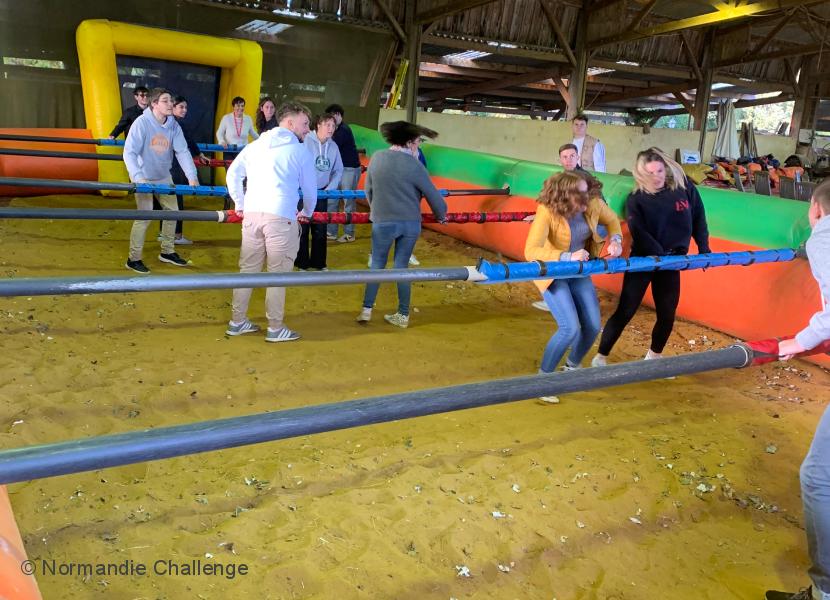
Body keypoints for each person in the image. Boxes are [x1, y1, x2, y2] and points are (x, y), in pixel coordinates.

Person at [766, 181, 830, 600]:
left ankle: (824, 590)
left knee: (817, 476)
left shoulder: (824, 236)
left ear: (816, 210)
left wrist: (801, 340)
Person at [591, 147, 710, 367]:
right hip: (644, 260)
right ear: (641, 175)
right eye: (651, 173)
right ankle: (601, 355)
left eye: (659, 171)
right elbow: (639, 231)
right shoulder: (636, 199)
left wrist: (704, 248)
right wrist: (660, 257)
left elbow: (698, 217)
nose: (657, 177)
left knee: (667, 313)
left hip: (672, 261)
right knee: (626, 309)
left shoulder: (684, 188)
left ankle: (654, 356)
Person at [525, 171, 622, 403]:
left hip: (579, 272)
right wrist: (567, 256)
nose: (585, 196)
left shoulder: (593, 203)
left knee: (592, 325)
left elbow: (613, 221)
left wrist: (616, 240)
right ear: (564, 195)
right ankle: (543, 380)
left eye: (586, 190)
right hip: (554, 273)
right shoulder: (547, 211)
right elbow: (530, 251)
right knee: (570, 328)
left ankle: (571, 367)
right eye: (579, 192)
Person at [224, 102, 317, 343]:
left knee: (247, 271)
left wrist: (240, 204)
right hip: (281, 218)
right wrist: (306, 211)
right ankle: (275, 328)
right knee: (278, 275)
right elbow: (310, 191)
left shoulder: (255, 146)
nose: (308, 129)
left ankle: (237, 322)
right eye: (305, 123)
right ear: (289, 122)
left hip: (253, 216)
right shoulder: (300, 151)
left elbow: (233, 173)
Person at [356, 121, 447, 329]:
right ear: (408, 142)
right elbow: (434, 197)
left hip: (382, 221)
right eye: (417, 142)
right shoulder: (415, 165)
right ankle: (403, 314)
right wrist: (441, 215)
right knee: (402, 267)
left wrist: (377, 209)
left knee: (377, 265)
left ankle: (366, 310)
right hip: (409, 224)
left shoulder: (377, 158)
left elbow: (368, 190)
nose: (418, 147)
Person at [123, 88, 199, 274]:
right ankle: (133, 259)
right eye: (165, 101)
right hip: (144, 176)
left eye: (171, 101)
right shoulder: (141, 123)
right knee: (145, 216)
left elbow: (182, 150)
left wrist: (192, 176)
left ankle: (167, 251)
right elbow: (129, 152)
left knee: (173, 212)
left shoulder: (173, 125)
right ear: (154, 104)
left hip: (164, 176)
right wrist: (138, 177)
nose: (170, 104)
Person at [531, 143, 596, 311]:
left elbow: (597, 205)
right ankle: (560, 298)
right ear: (560, 159)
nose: (568, 160)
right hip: (569, 230)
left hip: (581, 229)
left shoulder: (583, 179)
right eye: (565, 157)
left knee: (570, 257)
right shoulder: (561, 178)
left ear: (578, 157)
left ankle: (562, 300)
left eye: (572, 156)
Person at [296, 113, 343, 271]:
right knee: (303, 227)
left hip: (322, 193)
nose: (331, 129)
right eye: (328, 125)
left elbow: (338, 170)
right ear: (319, 125)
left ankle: (319, 263)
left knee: (320, 228)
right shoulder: (305, 140)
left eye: (333, 126)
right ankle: (301, 262)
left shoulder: (334, 147)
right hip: (304, 192)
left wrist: (331, 188)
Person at [160, 95, 207, 246]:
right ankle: (177, 235)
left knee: (166, 201)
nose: (184, 110)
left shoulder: (168, 123)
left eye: (186, 107)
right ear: (173, 108)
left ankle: (163, 233)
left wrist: (199, 153)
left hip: (166, 168)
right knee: (177, 200)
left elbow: (189, 143)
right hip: (175, 168)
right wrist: (198, 154)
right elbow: (188, 144)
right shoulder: (177, 124)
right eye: (181, 107)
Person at [325, 103, 361, 243]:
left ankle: (349, 233)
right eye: (330, 117)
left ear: (340, 116)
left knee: (348, 201)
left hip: (349, 169)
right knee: (332, 200)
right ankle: (331, 231)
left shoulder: (344, 130)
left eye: (335, 116)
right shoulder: (334, 131)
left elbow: (331, 145)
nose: (332, 120)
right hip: (337, 170)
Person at [216, 96, 258, 210]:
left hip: (243, 153)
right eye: (238, 105)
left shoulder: (248, 119)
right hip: (229, 151)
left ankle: (243, 205)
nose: (240, 108)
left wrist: (262, 140)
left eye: (242, 105)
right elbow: (219, 133)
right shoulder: (226, 118)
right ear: (233, 106)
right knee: (231, 176)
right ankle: (227, 204)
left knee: (244, 178)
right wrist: (222, 141)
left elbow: (253, 133)